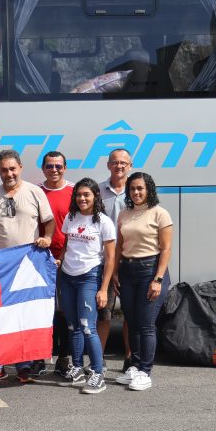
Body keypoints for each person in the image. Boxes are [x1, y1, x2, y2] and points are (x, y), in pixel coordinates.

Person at [0, 149, 54, 383]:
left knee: (24, 317)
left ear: (20, 167)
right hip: (0, 265)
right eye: (3, 170)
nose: (8, 173)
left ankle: (24, 366)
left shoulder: (35, 192)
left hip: (28, 265)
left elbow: (48, 222)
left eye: (12, 168)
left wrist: (47, 239)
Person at [114, 172, 172, 391]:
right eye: (132, 189)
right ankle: (135, 367)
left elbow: (165, 249)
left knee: (146, 325)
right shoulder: (124, 214)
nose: (136, 192)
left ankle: (145, 372)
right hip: (127, 271)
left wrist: (158, 279)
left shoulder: (160, 214)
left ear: (149, 190)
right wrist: (116, 272)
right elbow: (120, 245)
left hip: (150, 271)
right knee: (133, 322)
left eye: (140, 188)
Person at [57, 179, 116, 394]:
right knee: (72, 326)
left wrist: (103, 288)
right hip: (67, 276)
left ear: (95, 197)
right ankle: (78, 368)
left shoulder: (103, 222)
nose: (82, 198)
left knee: (88, 326)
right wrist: (60, 261)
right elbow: (67, 245)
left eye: (87, 195)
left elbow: (110, 258)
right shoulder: (70, 217)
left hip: (89, 277)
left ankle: (98, 374)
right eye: (79, 195)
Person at [38, 152, 74, 376]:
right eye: (49, 166)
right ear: (43, 168)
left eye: (58, 166)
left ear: (65, 167)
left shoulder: (73, 191)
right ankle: (39, 357)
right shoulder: (35, 191)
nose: (54, 170)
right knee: (41, 311)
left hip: (67, 259)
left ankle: (63, 357)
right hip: (40, 260)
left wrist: (64, 255)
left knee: (64, 311)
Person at [98, 148, 134, 371]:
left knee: (129, 312)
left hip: (130, 261)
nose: (119, 166)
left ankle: (130, 359)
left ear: (130, 165)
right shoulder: (99, 191)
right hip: (105, 261)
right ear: (108, 165)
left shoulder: (138, 190)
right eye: (115, 162)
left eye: (123, 163)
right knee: (105, 312)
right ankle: (98, 358)